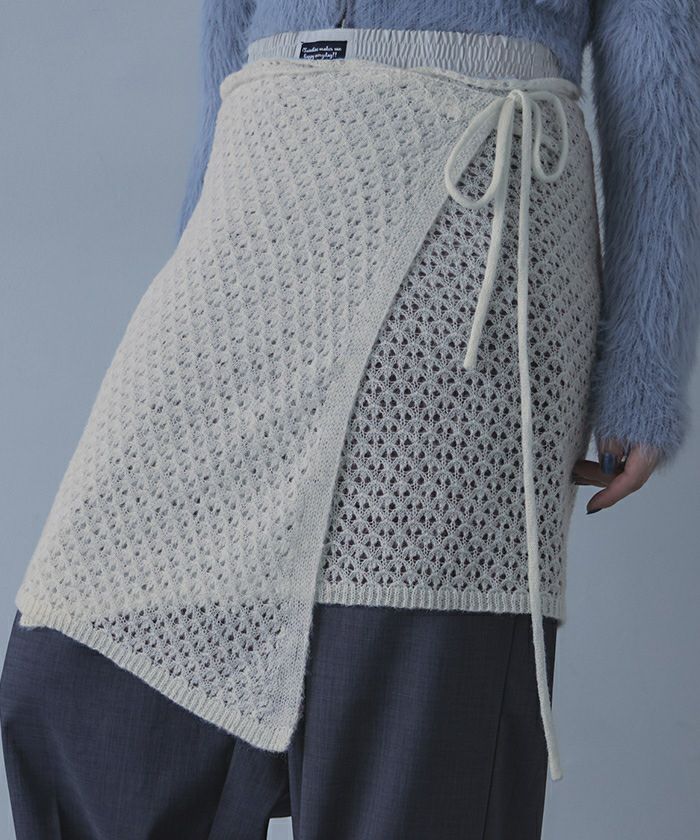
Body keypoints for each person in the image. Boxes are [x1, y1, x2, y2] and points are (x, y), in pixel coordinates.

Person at [2, 2, 699, 838]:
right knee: (74, 685)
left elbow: (662, 62)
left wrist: (645, 361)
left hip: (468, 207)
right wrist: (205, 238)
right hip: (264, 184)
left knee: (410, 713)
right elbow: (227, 35)